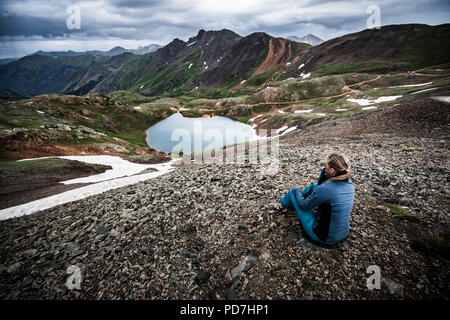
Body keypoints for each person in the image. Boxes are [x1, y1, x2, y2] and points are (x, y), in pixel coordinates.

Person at [274, 153, 355, 246]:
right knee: (315, 185)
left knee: (294, 191)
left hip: (323, 237)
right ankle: (296, 200)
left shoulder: (326, 188)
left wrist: (297, 191)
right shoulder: (350, 184)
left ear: (332, 170)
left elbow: (304, 206)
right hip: (343, 233)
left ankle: (282, 205)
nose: (324, 168)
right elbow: (320, 186)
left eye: (326, 166)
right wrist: (326, 174)